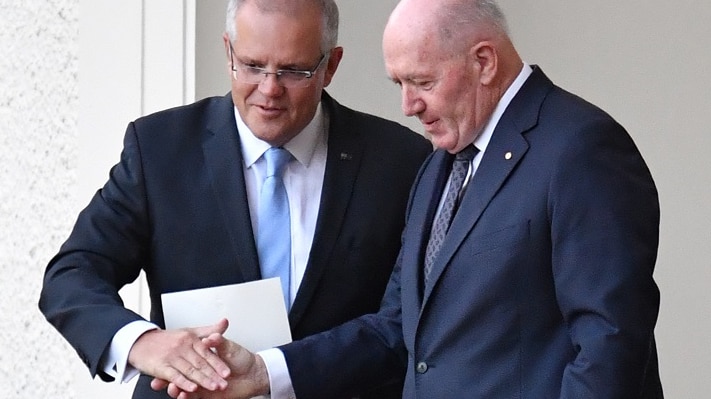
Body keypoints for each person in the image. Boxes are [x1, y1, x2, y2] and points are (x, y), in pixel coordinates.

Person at [155, 0, 665, 398]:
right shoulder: (441, 164)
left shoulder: (579, 148)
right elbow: (398, 327)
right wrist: (265, 373)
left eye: (421, 82)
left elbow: (610, 340)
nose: (407, 106)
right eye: (399, 83)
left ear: (484, 61)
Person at [38, 0, 432, 398]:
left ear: (330, 65)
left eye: (293, 70)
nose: (269, 88)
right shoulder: (160, 149)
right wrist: (141, 343)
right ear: (228, 51)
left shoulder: (400, 162)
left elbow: (404, 322)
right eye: (252, 65)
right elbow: (72, 275)